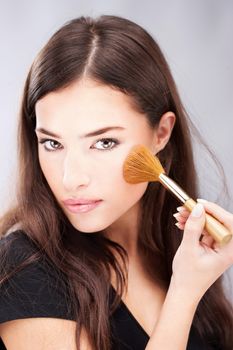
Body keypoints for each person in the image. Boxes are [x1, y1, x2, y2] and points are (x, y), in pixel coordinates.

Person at [0, 14, 232, 350]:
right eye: (52, 143)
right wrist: (183, 295)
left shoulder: (176, 255)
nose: (71, 178)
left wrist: (187, 282)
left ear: (161, 133)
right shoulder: (24, 269)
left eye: (103, 142)